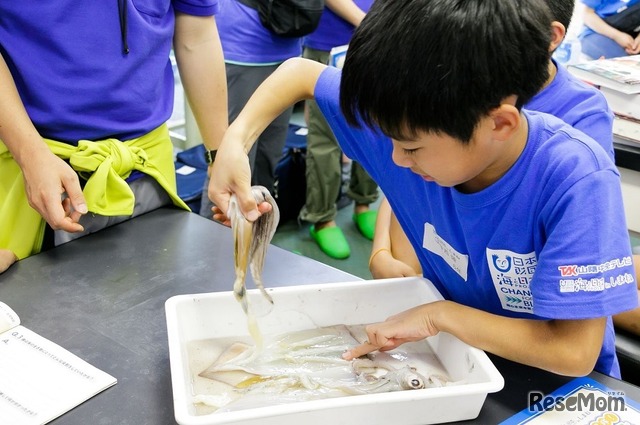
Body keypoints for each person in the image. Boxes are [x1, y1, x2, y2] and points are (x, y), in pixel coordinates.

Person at [210, 0, 638, 378]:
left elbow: (573, 351)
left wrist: (438, 317)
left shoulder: (574, 177)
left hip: (556, 388)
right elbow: (299, 72)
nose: (395, 160)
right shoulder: (409, 120)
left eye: (411, 147)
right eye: (391, 141)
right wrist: (234, 143)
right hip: (453, 358)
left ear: (499, 123)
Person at [370, 0, 617, 279]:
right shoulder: (450, 91)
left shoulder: (581, 124)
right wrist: (382, 250)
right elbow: (408, 170)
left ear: (551, 36)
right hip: (438, 269)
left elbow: (586, 242)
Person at [0, 1, 228, 273]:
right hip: (36, 170)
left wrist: (219, 155)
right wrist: (30, 155)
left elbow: (197, 32)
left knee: (152, 292)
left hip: (150, 165)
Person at [198, 0, 303, 218]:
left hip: (287, 50)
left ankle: (256, 240)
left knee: (267, 161)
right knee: (228, 162)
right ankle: (212, 246)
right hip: (241, 48)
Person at [300, 0, 378, 260]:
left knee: (373, 127)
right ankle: (321, 217)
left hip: (376, 40)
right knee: (325, 136)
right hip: (329, 43)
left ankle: (364, 202)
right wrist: (369, 22)